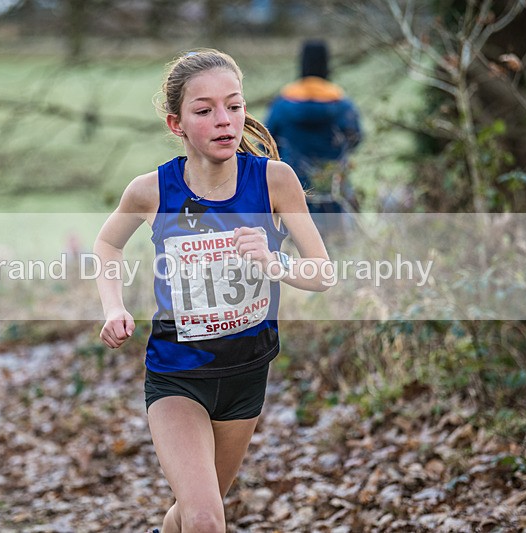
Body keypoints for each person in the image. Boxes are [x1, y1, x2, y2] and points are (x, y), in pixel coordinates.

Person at [94, 49, 331, 533]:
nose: (224, 121)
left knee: (194, 514)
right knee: (205, 518)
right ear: (177, 123)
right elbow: (105, 244)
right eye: (204, 111)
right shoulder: (152, 191)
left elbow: (323, 274)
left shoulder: (274, 181)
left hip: (246, 373)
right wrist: (113, 306)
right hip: (176, 377)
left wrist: (273, 261)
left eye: (235, 106)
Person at [265, 39, 363, 237]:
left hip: (292, 184)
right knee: (333, 245)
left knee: (295, 241)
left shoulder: (282, 103)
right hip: (331, 183)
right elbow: (356, 138)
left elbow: (266, 141)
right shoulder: (342, 104)